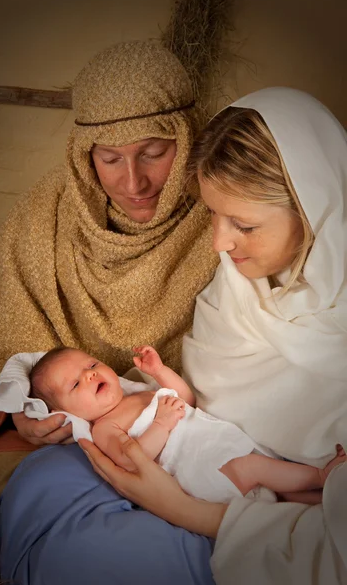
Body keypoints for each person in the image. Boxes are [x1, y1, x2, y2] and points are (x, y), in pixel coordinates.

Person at [0, 40, 219, 585]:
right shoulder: (51, 206)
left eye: (153, 152)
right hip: (59, 436)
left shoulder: (222, 211)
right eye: (109, 158)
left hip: (174, 425)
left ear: (187, 138)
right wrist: (23, 409)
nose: (132, 183)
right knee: (16, 487)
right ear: (82, 154)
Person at [79, 87, 347, 584]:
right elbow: (191, 408)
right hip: (212, 477)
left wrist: (182, 509)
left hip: (236, 515)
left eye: (243, 224)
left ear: (318, 212)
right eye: (212, 214)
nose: (219, 243)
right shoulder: (235, 290)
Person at [27, 345, 344, 503]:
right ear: (67, 413)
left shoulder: (135, 394)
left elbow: (184, 399)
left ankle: (321, 504)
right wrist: (161, 425)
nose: (90, 374)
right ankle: (322, 476)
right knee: (256, 469)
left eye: (92, 364)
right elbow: (130, 458)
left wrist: (159, 371)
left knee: (276, 482)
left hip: (218, 444)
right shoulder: (103, 428)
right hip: (203, 468)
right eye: (75, 385)